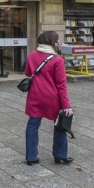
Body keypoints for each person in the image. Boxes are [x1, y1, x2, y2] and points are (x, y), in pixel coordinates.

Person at [24, 31, 73, 166]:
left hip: (34, 95)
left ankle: (31, 157)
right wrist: (66, 106)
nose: (58, 43)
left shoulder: (32, 55)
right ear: (52, 42)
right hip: (52, 97)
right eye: (57, 40)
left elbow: (28, 73)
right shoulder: (57, 60)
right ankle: (60, 154)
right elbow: (61, 85)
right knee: (59, 125)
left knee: (32, 125)